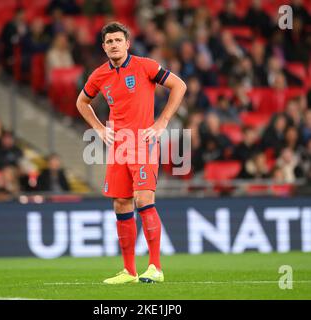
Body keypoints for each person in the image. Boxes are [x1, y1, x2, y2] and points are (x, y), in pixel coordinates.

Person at [76, 22, 186, 284]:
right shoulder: (99, 75)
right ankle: (129, 271)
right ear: (103, 47)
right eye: (109, 41)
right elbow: (81, 102)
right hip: (118, 146)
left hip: (143, 142)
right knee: (121, 203)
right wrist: (100, 129)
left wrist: (162, 122)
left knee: (143, 199)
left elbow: (179, 86)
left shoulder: (145, 65)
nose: (114, 44)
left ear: (127, 43)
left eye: (118, 40)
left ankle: (155, 267)